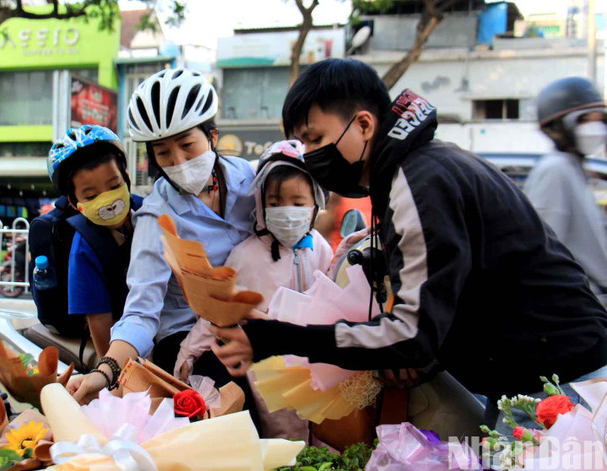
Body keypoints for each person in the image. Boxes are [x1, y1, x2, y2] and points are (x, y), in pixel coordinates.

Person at [209, 58, 607, 410]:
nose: (311, 155)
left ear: (364, 124)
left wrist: (270, 337)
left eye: (316, 138)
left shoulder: (417, 184)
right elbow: (453, 296)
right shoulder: (419, 169)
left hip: (559, 384)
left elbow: (412, 333)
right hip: (531, 377)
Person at [67, 68, 257, 407]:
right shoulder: (156, 216)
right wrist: (105, 370)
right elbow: (141, 311)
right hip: (186, 337)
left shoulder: (250, 180)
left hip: (254, 320)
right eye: (163, 152)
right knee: (235, 414)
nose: (178, 162)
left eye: (187, 145)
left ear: (211, 136)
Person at [174, 140, 333, 439]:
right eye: (274, 203)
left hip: (313, 358)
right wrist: (189, 352)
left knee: (322, 430)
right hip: (266, 368)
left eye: (298, 204)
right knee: (279, 434)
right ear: (260, 205)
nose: (286, 212)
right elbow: (217, 312)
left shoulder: (321, 250)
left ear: (316, 205)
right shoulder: (245, 256)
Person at [47, 125, 142, 357]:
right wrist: (113, 375)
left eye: (114, 186)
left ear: (127, 180)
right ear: (74, 203)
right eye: (91, 196)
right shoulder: (85, 247)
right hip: (125, 347)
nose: (107, 200)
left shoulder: (151, 214)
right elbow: (100, 322)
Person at [524, 77, 607, 300]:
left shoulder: (575, 168)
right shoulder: (555, 170)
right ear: (559, 126)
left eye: (600, 120)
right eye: (585, 120)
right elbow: (544, 253)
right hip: (581, 308)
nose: (595, 128)